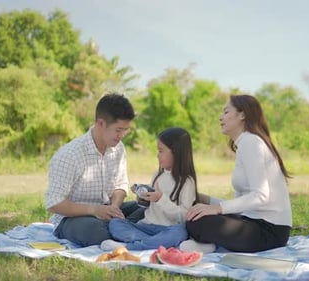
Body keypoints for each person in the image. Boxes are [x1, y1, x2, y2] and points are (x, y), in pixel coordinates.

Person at [182, 94, 292, 253]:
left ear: (242, 115)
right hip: (252, 222)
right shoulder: (246, 143)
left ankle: (207, 244)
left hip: (270, 231)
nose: (221, 117)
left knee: (197, 222)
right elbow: (242, 205)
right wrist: (206, 200)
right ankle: (207, 244)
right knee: (196, 212)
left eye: (226, 112)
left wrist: (216, 208)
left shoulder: (251, 142)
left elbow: (261, 196)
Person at [45, 93, 144, 247]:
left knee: (147, 209)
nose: (122, 136)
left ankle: (120, 232)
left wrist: (114, 208)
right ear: (100, 123)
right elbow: (54, 203)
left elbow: (120, 184)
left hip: (107, 211)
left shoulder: (118, 149)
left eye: (126, 130)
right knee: (95, 231)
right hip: (72, 219)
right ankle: (127, 233)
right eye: (118, 130)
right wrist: (94, 210)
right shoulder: (69, 155)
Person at [100, 127, 199, 251]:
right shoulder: (158, 174)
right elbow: (150, 206)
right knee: (116, 224)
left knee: (180, 233)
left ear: (176, 152)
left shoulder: (187, 182)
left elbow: (183, 216)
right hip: (146, 226)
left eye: (161, 151)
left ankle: (129, 246)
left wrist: (161, 199)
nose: (158, 155)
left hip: (169, 228)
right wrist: (143, 197)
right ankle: (155, 243)